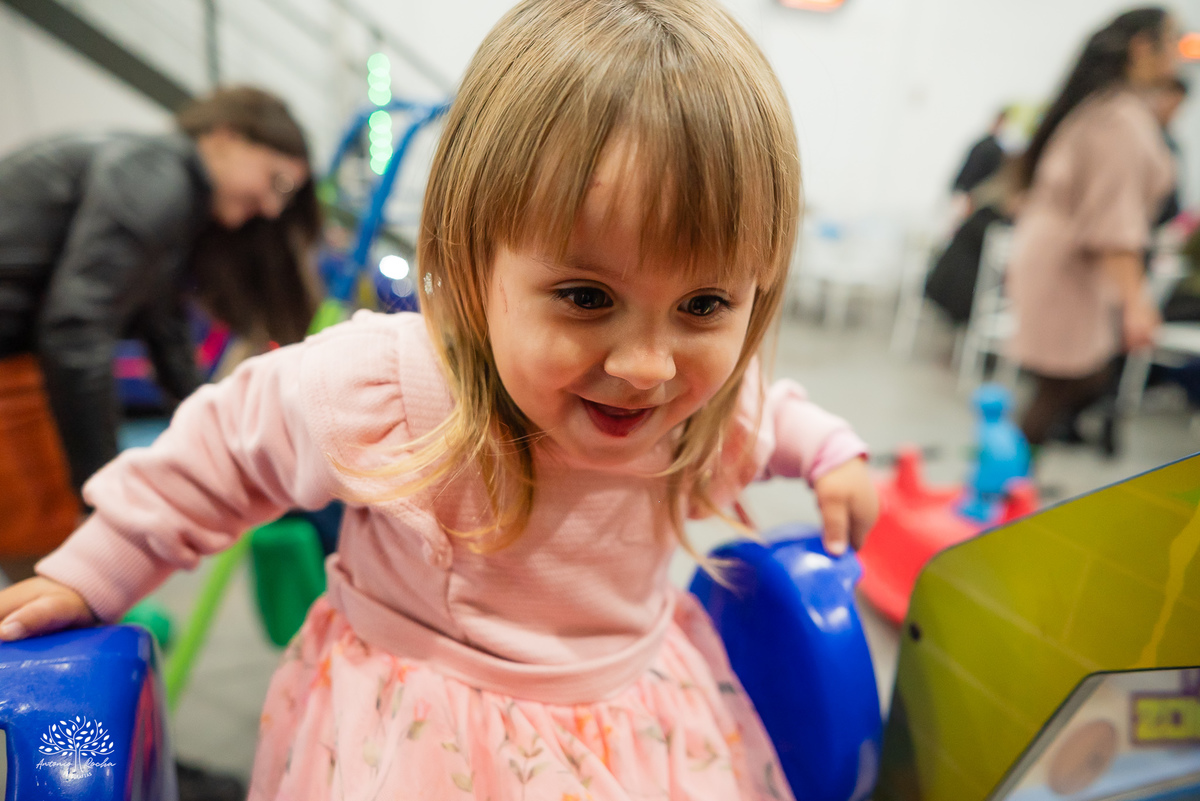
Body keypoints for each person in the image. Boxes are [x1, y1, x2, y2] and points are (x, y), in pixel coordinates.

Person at [0, 2, 878, 799]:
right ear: (470, 265)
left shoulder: (700, 406)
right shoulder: (398, 387)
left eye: (704, 306)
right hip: (427, 747)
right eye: (585, 297)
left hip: (640, 728)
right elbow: (227, 447)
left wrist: (831, 453)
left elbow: (768, 413)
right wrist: (96, 568)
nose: (648, 366)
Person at [0, 86, 321, 580]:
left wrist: (213, 422)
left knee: (49, 548)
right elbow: (75, 328)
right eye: (276, 182)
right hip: (12, 365)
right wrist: (103, 496)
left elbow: (162, 326)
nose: (273, 209)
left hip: (17, 357)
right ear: (224, 138)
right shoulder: (157, 175)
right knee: (49, 550)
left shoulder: (167, 190)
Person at [1008, 7, 1178, 455]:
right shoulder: (1117, 117)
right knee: (1068, 382)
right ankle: (999, 486)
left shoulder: (1105, 108)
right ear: (1143, 47)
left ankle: (1005, 481)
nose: (1179, 57)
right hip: (1067, 265)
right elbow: (1113, 220)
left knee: (1064, 383)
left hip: (1059, 257)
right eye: (1173, 43)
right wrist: (1136, 303)